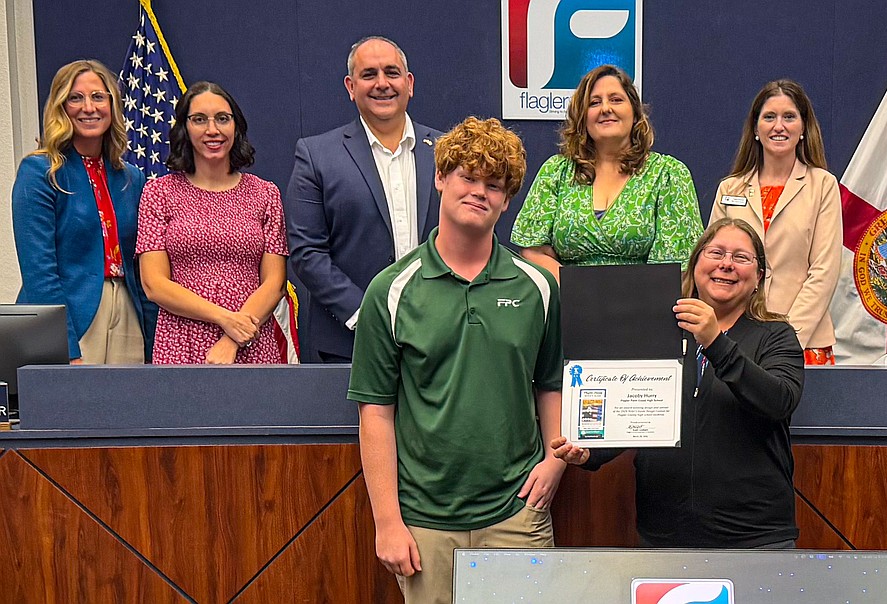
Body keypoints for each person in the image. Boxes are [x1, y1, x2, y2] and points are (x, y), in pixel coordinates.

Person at [349, 117, 565, 604]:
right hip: (424, 523)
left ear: (508, 200)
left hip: (517, 515)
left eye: (494, 185)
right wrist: (387, 521)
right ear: (441, 178)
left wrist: (555, 462)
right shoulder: (390, 290)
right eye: (468, 177)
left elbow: (550, 384)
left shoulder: (538, 288)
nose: (479, 192)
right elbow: (376, 413)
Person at [553, 218, 804, 549]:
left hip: (755, 539)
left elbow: (779, 401)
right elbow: (634, 410)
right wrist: (589, 451)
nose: (726, 264)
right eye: (715, 252)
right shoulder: (657, 332)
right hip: (664, 537)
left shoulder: (777, 336)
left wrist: (716, 342)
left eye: (741, 257)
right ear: (695, 264)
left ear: (758, 277)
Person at [285, 36, 443, 363]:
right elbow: (307, 252)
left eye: (392, 72)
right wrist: (366, 315)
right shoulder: (316, 156)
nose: (382, 83)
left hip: (441, 339)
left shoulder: (447, 151)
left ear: (409, 83)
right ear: (350, 86)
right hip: (350, 343)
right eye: (369, 74)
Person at [12, 59, 157, 364]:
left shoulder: (132, 177)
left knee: (129, 408)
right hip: (72, 317)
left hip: (127, 314)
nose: (88, 107)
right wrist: (63, 346)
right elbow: (40, 273)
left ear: (112, 105)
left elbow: (141, 264)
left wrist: (153, 340)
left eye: (98, 97)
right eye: (75, 98)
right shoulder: (40, 171)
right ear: (60, 107)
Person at [136, 82, 288, 364]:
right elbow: (153, 283)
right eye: (199, 120)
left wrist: (233, 337)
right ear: (184, 128)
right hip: (181, 343)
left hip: (250, 339)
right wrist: (224, 319)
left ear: (236, 126)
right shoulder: (158, 193)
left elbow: (275, 282)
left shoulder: (266, 193)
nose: (212, 130)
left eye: (222, 118)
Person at [511, 64, 703, 278]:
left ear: (635, 112)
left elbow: (674, 266)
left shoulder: (668, 174)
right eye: (594, 102)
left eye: (616, 100)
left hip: (646, 305)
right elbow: (532, 249)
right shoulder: (557, 171)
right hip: (568, 302)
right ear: (582, 117)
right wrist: (581, 292)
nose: (605, 109)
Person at [710, 79, 842, 365]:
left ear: (803, 128)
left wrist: (787, 339)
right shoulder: (729, 190)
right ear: (756, 129)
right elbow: (714, 265)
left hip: (803, 343)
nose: (778, 126)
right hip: (737, 339)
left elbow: (825, 270)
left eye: (789, 117)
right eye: (769, 117)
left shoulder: (823, 186)